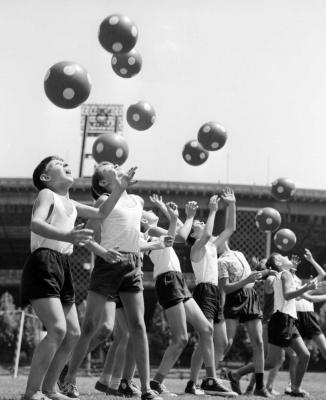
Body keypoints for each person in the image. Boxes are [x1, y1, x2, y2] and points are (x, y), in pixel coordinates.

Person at [20, 156, 135, 400]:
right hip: (43, 262)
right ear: (45, 178)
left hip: (62, 265)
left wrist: (120, 186)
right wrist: (67, 236)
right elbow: (35, 223)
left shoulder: (71, 203)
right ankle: (32, 392)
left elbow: (102, 212)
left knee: (73, 333)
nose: (65, 163)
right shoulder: (46, 195)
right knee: (57, 329)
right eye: (58, 163)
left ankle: (50, 389)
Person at [62, 162, 163, 400]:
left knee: (138, 326)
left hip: (132, 265)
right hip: (107, 265)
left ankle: (146, 389)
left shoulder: (137, 201)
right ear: (104, 183)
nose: (116, 165)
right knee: (90, 327)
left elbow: (140, 233)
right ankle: (68, 380)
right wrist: (103, 253)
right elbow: (87, 237)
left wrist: (158, 230)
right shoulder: (102, 202)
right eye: (110, 166)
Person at [144, 194, 236, 397]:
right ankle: (157, 382)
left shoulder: (155, 231)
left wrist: (182, 215)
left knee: (205, 329)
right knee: (181, 339)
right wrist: (197, 214)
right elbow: (179, 235)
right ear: (143, 221)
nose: (150, 211)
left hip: (177, 281)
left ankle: (210, 379)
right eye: (148, 212)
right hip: (168, 280)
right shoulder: (149, 231)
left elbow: (179, 232)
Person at [226, 252, 319, 398]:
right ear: (279, 262)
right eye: (283, 256)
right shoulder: (284, 275)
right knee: (271, 362)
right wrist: (306, 287)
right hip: (281, 320)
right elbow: (288, 295)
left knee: (304, 354)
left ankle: (296, 389)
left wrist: (294, 273)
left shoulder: (283, 274)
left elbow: (287, 291)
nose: (287, 256)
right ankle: (236, 374)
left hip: (288, 320)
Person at [186, 189, 237, 397]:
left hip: (215, 292)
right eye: (196, 224)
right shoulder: (196, 248)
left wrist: (232, 205)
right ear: (192, 234)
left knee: (220, 342)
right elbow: (207, 232)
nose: (199, 223)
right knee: (206, 337)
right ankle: (210, 379)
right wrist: (213, 210)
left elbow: (230, 228)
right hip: (204, 291)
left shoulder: (211, 247)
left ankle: (193, 383)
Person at [218, 235, 273, 397]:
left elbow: (248, 278)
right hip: (234, 299)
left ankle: (259, 387)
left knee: (259, 342)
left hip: (250, 296)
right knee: (226, 343)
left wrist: (262, 272)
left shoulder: (239, 253)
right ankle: (210, 378)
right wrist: (247, 280)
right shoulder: (220, 261)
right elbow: (226, 288)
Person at [283, 249, 326, 395]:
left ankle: (294, 385)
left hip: (310, 318)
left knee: (325, 349)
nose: (293, 264)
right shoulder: (286, 280)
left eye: (294, 263)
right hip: (296, 318)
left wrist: (312, 260)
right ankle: (292, 385)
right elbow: (303, 297)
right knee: (297, 356)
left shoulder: (303, 283)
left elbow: (322, 275)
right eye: (290, 263)